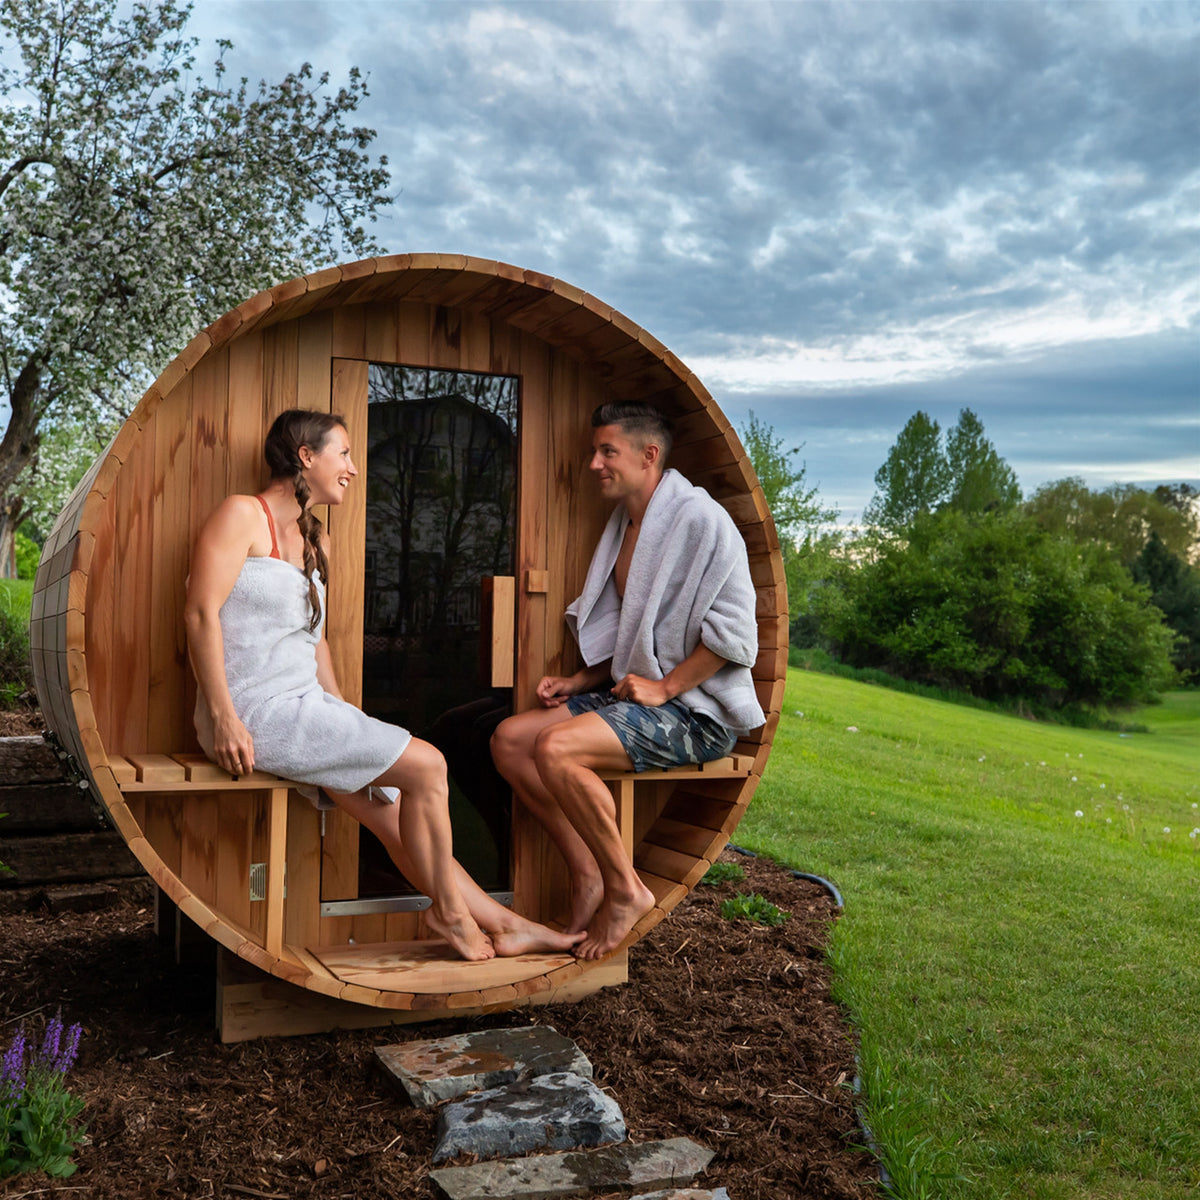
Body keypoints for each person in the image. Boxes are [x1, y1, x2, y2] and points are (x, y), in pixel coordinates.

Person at [184, 408, 581, 963]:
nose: (352, 468)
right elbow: (200, 612)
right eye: (342, 453)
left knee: (394, 805)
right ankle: (449, 913)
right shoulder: (242, 515)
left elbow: (313, 644)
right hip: (252, 713)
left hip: (303, 709)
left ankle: (506, 923)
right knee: (429, 766)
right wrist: (223, 716)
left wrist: (346, 723)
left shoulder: (310, 536)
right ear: (305, 457)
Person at [491, 401, 764, 961]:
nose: (594, 463)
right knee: (511, 742)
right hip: (641, 697)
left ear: (649, 455)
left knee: (558, 749)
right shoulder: (628, 522)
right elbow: (638, 637)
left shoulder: (701, 520)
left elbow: (737, 636)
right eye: (596, 451)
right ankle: (588, 871)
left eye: (606, 451)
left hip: (697, 712)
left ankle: (625, 889)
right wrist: (580, 679)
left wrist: (666, 689)